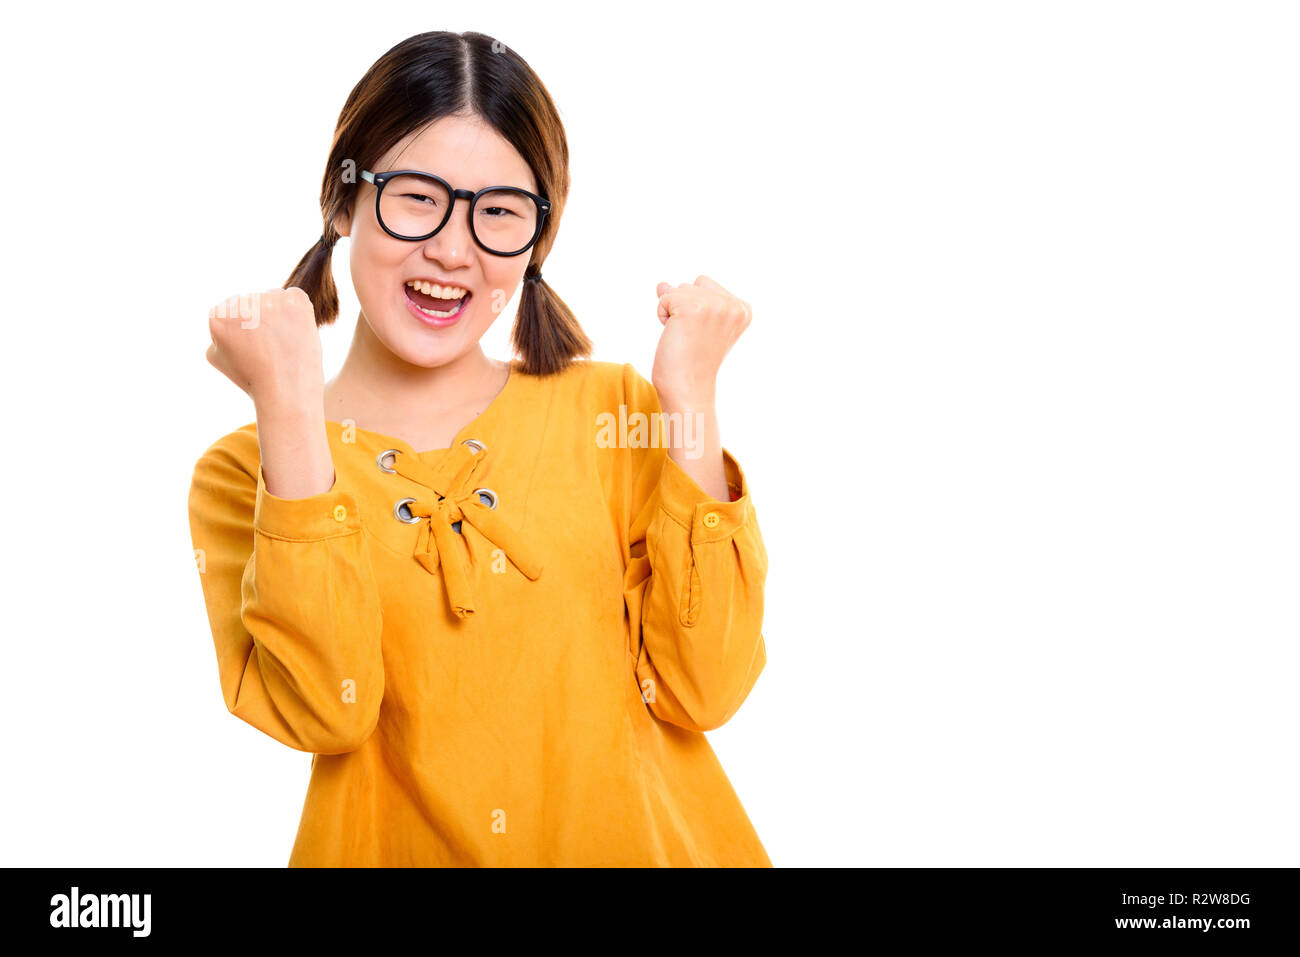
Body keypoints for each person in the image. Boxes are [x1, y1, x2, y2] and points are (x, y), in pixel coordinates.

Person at [188, 30, 770, 866]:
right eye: (417, 197)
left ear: (536, 240)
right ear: (345, 200)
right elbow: (327, 711)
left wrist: (689, 403)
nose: (454, 252)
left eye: (499, 212)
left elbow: (705, 686)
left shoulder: (609, 411)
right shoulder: (245, 472)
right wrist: (287, 408)